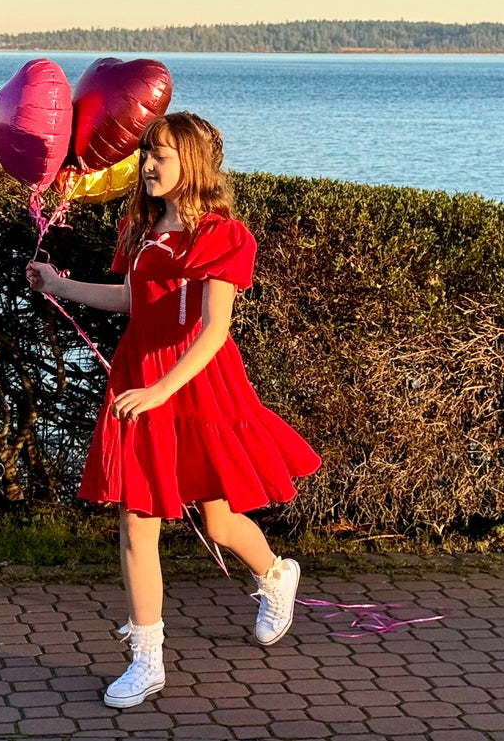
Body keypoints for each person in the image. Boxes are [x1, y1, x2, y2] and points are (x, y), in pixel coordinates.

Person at [25, 112, 321, 709]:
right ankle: (147, 660)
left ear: (193, 163)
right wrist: (61, 285)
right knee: (137, 519)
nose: (148, 164)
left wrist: (162, 390)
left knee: (216, 521)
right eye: (145, 153)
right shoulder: (141, 227)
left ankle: (274, 576)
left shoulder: (222, 235)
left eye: (161, 154)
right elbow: (137, 299)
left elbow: (215, 331)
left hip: (197, 385)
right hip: (141, 380)